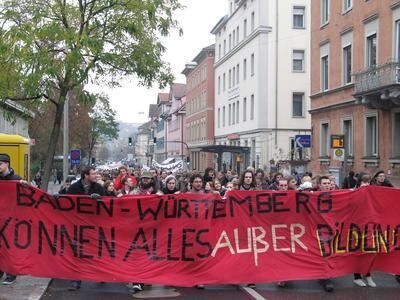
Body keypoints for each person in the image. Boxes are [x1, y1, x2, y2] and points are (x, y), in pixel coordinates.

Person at [67, 166, 104, 291]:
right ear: (85, 176)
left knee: (96, 252)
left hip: (94, 226)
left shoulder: (98, 188)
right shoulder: (74, 188)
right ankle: (75, 281)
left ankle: (101, 274)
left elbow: (107, 204)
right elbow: (66, 203)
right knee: (77, 254)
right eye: (93, 174)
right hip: (78, 226)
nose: (95, 175)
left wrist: (98, 199)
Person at [0, 153, 21, 285]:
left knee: (9, 247)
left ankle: (11, 273)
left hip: (11, 219)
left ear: (7, 163)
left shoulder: (16, 179)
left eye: (0, 163)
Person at [352, 174, 376, 287]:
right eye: (364, 181)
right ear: (359, 183)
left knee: (370, 251)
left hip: (370, 226)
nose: (367, 184)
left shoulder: (373, 194)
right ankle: (357, 276)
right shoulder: (353, 193)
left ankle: (368, 275)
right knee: (357, 252)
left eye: (368, 181)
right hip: (356, 228)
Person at [318, 176, 335, 292]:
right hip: (317, 230)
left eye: (328, 183)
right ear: (320, 185)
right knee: (324, 253)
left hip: (333, 229)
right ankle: (325, 277)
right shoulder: (312, 196)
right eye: (324, 183)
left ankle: (327, 276)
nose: (327, 185)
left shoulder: (337, 196)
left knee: (330, 253)